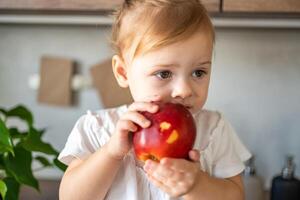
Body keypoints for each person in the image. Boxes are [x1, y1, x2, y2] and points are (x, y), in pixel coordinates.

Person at [58, 0, 251, 199]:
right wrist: (110, 153)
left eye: (198, 72)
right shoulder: (98, 128)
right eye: (164, 74)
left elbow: (236, 195)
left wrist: (197, 185)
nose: (184, 90)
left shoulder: (214, 130)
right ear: (123, 72)